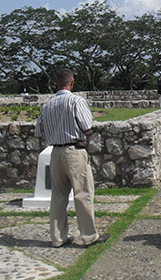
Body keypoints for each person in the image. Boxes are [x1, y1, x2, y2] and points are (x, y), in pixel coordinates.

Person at [35, 68, 110, 248]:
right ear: (72, 82)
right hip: (73, 151)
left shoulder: (47, 105)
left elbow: (39, 131)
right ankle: (88, 235)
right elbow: (86, 125)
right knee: (82, 193)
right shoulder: (76, 101)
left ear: (56, 83)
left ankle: (58, 237)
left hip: (55, 152)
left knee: (58, 196)